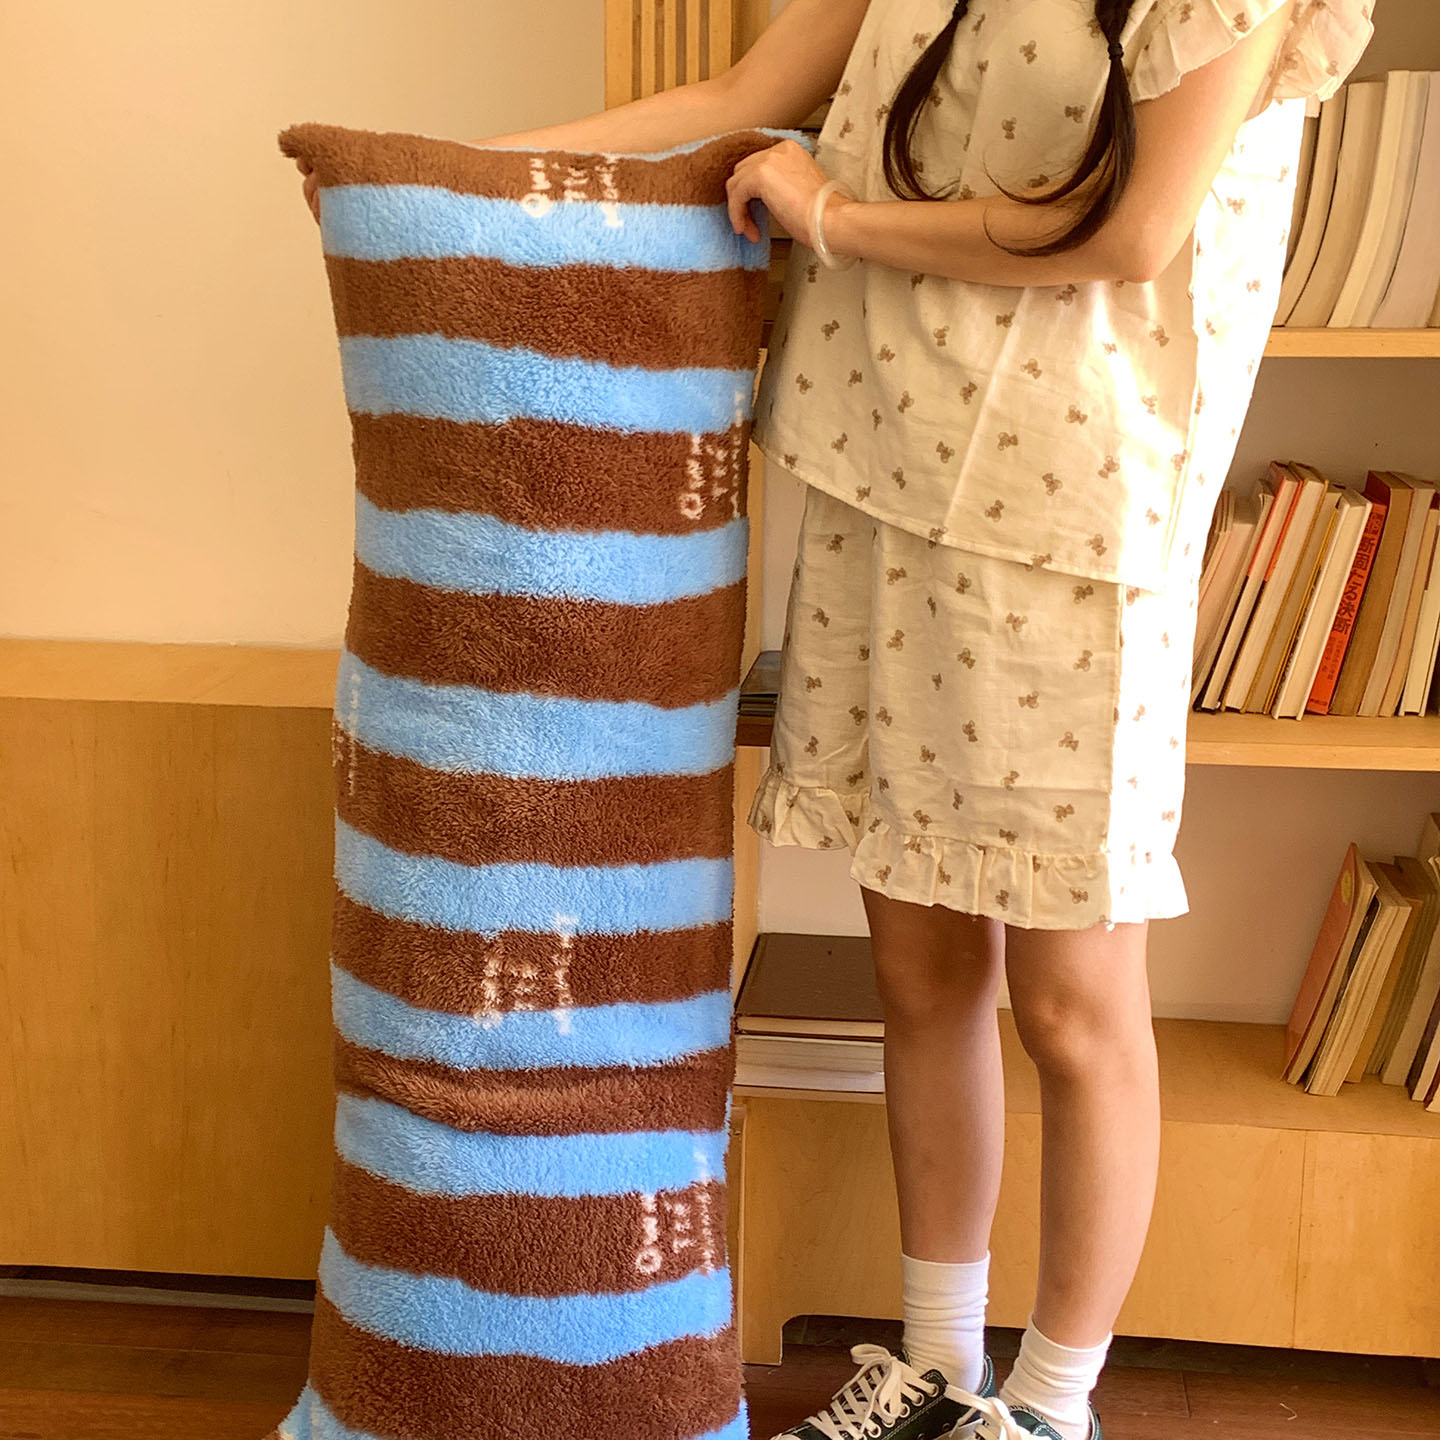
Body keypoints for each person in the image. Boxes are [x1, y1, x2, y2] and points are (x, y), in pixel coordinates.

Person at [295, 3, 1374, 1436]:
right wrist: (433, 182)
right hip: (882, 480)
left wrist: (838, 219)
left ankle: (1051, 1407)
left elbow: (1134, 232)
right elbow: (737, 94)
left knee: (1072, 1000)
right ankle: (934, 1368)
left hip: (1079, 526)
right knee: (919, 972)